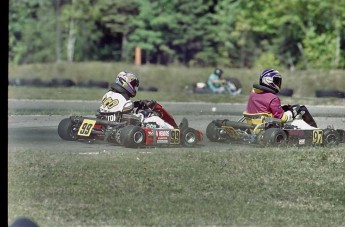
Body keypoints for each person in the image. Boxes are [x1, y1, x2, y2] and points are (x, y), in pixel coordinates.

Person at [99, 71, 174, 129]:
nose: (134, 87)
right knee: (155, 119)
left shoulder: (108, 94)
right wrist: (145, 113)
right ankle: (173, 131)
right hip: (120, 126)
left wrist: (137, 104)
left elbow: (120, 106)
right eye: (133, 84)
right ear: (125, 83)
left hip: (107, 123)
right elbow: (131, 119)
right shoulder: (125, 102)